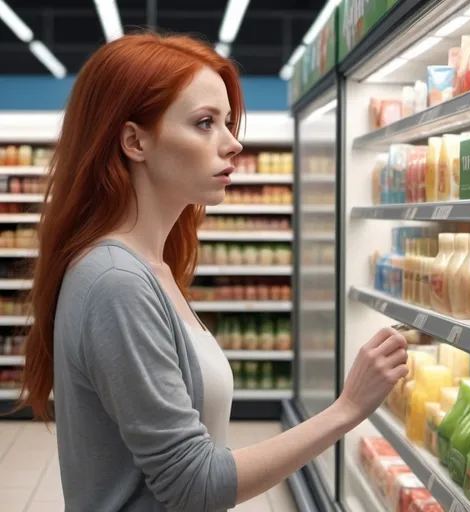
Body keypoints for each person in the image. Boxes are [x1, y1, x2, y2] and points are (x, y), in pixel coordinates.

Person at [19, 32, 409, 512]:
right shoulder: (115, 282)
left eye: (227, 122)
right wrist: (347, 409)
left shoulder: (150, 265)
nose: (233, 142)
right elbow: (193, 486)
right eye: (205, 123)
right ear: (134, 141)